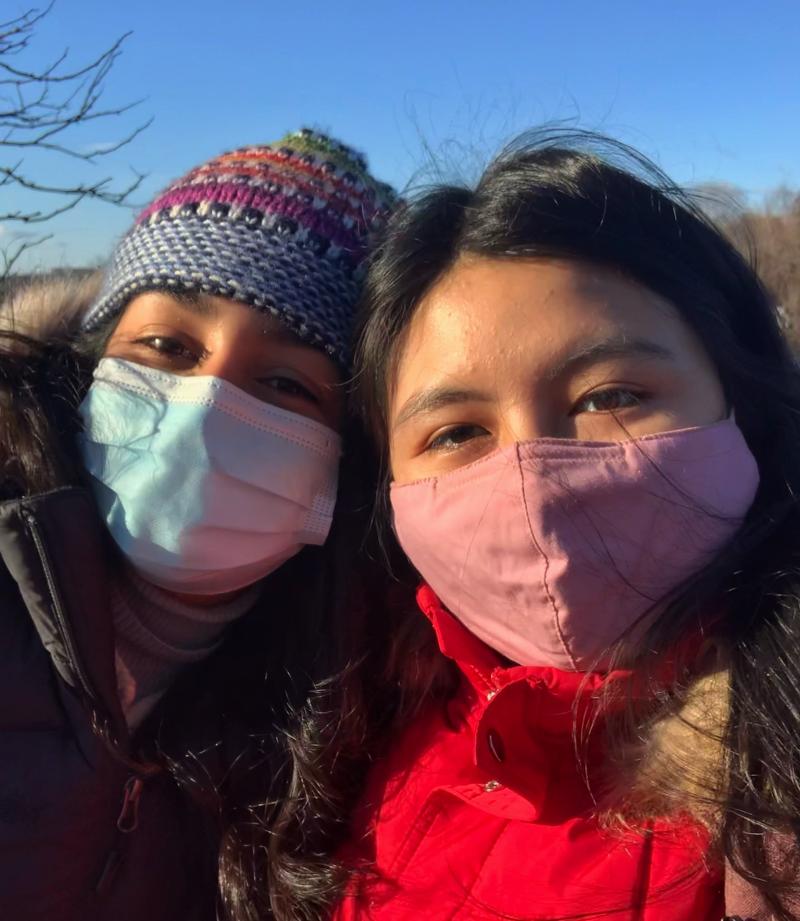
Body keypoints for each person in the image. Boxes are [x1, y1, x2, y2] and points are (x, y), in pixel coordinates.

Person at [306, 133, 800, 921]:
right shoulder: (352, 742)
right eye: (457, 432)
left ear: (742, 398)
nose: (533, 477)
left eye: (610, 395)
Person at [0, 129, 394, 921]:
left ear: (348, 457)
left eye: (285, 382)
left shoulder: (351, 736)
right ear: (91, 366)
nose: (205, 404)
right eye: (167, 345)